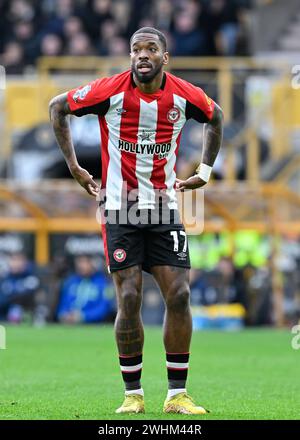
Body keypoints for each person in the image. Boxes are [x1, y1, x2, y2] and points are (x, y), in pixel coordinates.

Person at [49, 27, 223, 415]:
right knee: (129, 297)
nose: (142, 55)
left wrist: (206, 171)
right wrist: (74, 167)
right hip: (120, 207)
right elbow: (57, 106)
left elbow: (216, 117)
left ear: (165, 56)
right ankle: (133, 394)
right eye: (135, 50)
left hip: (163, 206)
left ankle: (177, 395)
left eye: (151, 49)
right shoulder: (109, 91)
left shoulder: (183, 95)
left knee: (178, 295)